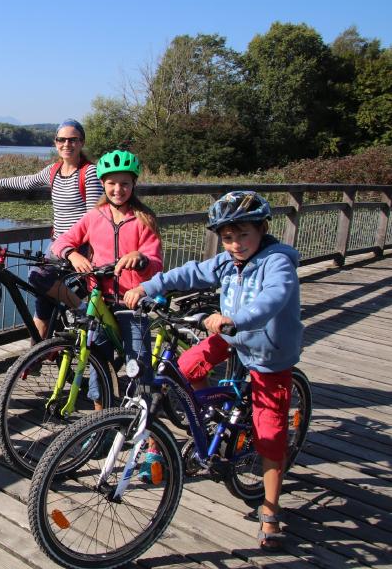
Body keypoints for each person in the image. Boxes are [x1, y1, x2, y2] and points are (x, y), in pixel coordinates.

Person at [123, 190, 302, 551]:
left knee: (270, 433)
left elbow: (273, 297)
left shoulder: (277, 262)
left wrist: (233, 319)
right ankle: (212, 418)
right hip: (232, 336)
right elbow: (189, 273)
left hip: (269, 352)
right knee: (185, 367)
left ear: (262, 229)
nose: (235, 244)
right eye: (228, 237)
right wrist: (148, 285)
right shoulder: (226, 262)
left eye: (243, 235)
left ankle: (270, 509)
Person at [50, 150, 163, 408]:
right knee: (98, 359)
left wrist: (141, 258)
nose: (118, 189)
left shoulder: (144, 220)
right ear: (103, 184)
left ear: (134, 184)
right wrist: (73, 254)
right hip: (98, 301)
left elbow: (156, 264)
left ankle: (148, 424)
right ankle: (100, 418)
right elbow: (62, 241)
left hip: (131, 302)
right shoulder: (94, 216)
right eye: (111, 183)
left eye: (124, 183)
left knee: (139, 363)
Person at [0, 119, 103, 338]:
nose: (67, 144)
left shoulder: (89, 173)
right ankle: (36, 357)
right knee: (43, 300)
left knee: (37, 276)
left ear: (81, 143)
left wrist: (74, 251)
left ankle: (80, 310)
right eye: (62, 139)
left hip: (80, 246)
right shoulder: (53, 171)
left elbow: (94, 218)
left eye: (73, 140)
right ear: (55, 143)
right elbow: (27, 181)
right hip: (58, 243)